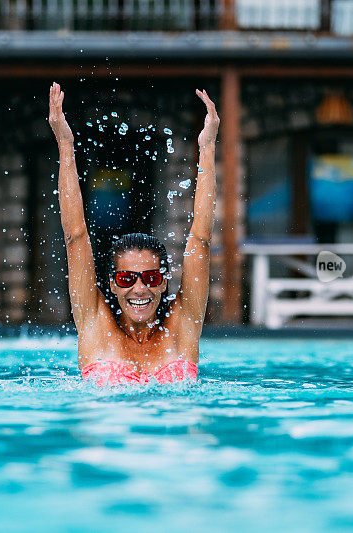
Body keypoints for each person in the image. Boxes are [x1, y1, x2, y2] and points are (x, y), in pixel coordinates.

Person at [48, 82, 219, 385]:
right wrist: (65, 144)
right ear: (113, 284)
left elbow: (200, 239)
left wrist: (207, 147)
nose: (139, 289)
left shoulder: (183, 325)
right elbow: (75, 236)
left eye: (151, 277)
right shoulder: (95, 324)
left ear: (164, 282)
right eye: (127, 278)